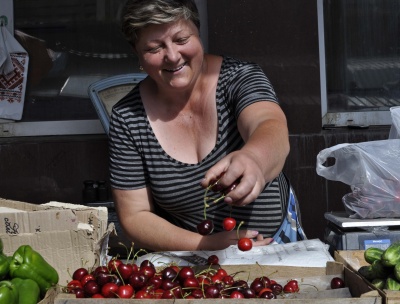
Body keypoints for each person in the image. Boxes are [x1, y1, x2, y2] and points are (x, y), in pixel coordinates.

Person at [108, 0, 306, 252]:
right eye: (154, 47)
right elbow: (135, 216)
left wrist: (254, 159)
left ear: (198, 32)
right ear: (136, 52)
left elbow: (270, 125)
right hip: (192, 263)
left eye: (181, 39)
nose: (172, 55)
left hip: (278, 246)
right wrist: (208, 245)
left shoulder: (239, 77)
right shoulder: (128, 117)